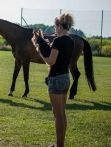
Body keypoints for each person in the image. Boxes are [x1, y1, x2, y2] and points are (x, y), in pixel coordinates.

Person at [39, 13, 75, 147]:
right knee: (62, 113)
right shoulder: (70, 41)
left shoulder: (58, 41)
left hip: (56, 78)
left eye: (55, 26)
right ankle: (60, 144)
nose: (55, 29)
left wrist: (42, 53)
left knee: (58, 114)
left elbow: (51, 61)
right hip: (66, 78)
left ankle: (59, 146)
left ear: (60, 26)